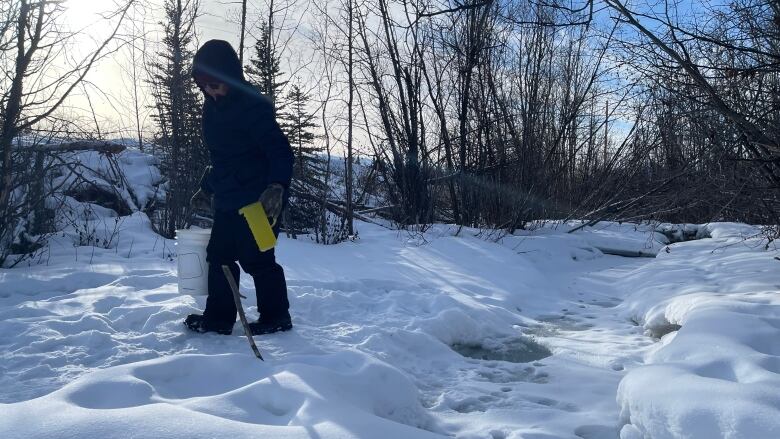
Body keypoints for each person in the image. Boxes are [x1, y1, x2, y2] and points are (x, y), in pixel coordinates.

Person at [184, 39, 294, 336]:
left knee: (258, 259)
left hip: (258, 200)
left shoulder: (253, 106)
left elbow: (279, 151)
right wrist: (206, 187)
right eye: (204, 85)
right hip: (227, 198)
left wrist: (277, 186)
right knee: (218, 257)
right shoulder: (211, 110)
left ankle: (276, 317)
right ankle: (218, 319)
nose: (210, 91)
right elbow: (222, 158)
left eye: (215, 84)